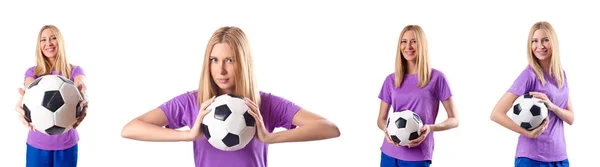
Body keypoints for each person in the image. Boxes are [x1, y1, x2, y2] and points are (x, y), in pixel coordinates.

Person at [120, 26, 341, 167]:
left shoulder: (263, 104)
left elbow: (329, 128)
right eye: (214, 60)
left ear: (243, 63)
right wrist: (188, 135)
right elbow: (130, 129)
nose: (221, 70)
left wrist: (270, 137)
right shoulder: (194, 102)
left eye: (230, 60)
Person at [490, 21, 574, 167]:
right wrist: (528, 133)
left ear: (553, 42)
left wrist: (552, 107)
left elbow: (571, 118)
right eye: (534, 41)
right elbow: (496, 113)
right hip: (532, 158)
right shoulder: (529, 75)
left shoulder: (561, 75)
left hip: (560, 157)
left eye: (545, 40)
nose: (539, 46)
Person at [376, 25, 459, 167]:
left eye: (414, 41)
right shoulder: (391, 80)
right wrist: (386, 130)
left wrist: (430, 128)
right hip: (388, 154)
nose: (408, 46)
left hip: (417, 157)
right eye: (404, 41)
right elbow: (381, 119)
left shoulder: (437, 78)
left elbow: (454, 119)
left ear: (422, 45)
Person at [15, 25, 89, 167]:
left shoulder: (74, 71)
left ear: (60, 42)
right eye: (43, 40)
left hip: (67, 144)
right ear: (39, 45)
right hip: (37, 143)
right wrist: (21, 102)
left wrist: (83, 93)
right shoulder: (32, 73)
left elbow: (81, 84)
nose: (48, 43)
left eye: (53, 38)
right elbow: (28, 89)